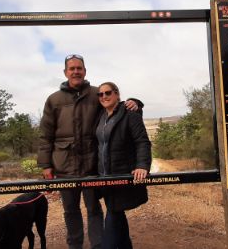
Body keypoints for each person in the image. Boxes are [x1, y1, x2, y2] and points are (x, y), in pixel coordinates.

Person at [37, 54, 139, 249]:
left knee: (94, 209)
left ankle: (98, 245)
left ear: (85, 71)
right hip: (64, 167)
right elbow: (45, 135)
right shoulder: (53, 100)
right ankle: (75, 245)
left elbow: (115, 104)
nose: (76, 71)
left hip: (92, 165)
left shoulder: (96, 94)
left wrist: (134, 102)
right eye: (72, 68)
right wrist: (46, 165)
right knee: (70, 210)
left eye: (79, 68)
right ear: (65, 72)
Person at [95, 82, 151, 249]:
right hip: (105, 178)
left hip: (121, 176)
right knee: (116, 214)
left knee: (113, 216)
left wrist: (142, 165)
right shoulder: (101, 116)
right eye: (101, 94)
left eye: (108, 93)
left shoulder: (129, 113)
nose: (104, 96)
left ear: (117, 94)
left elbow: (142, 142)